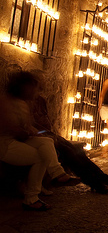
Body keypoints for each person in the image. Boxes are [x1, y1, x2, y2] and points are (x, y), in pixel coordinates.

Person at [30, 75, 108, 194]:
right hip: (40, 137)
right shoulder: (25, 104)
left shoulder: (40, 100)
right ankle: (96, 183)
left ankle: (102, 178)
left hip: (48, 134)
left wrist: (50, 133)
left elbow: (46, 120)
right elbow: (31, 125)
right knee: (69, 153)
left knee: (77, 150)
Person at [0, 71, 72, 211]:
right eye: (33, 86)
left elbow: (27, 127)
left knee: (47, 142)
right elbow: (13, 129)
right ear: (23, 86)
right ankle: (31, 198)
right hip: (5, 143)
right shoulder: (6, 102)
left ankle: (58, 173)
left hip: (18, 140)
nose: (35, 90)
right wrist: (29, 133)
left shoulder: (23, 103)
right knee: (41, 156)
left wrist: (37, 134)